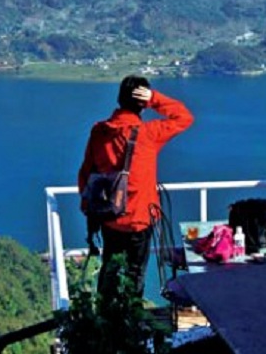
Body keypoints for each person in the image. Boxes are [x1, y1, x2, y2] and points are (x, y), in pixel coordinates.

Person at [78, 75, 194, 298]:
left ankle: (104, 318)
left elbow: (86, 171)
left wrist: (87, 206)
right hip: (139, 218)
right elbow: (184, 117)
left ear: (119, 98)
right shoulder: (148, 134)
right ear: (142, 103)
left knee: (110, 270)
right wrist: (154, 98)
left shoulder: (99, 131)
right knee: (135, 273)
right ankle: (130, 320)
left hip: (109, 215)